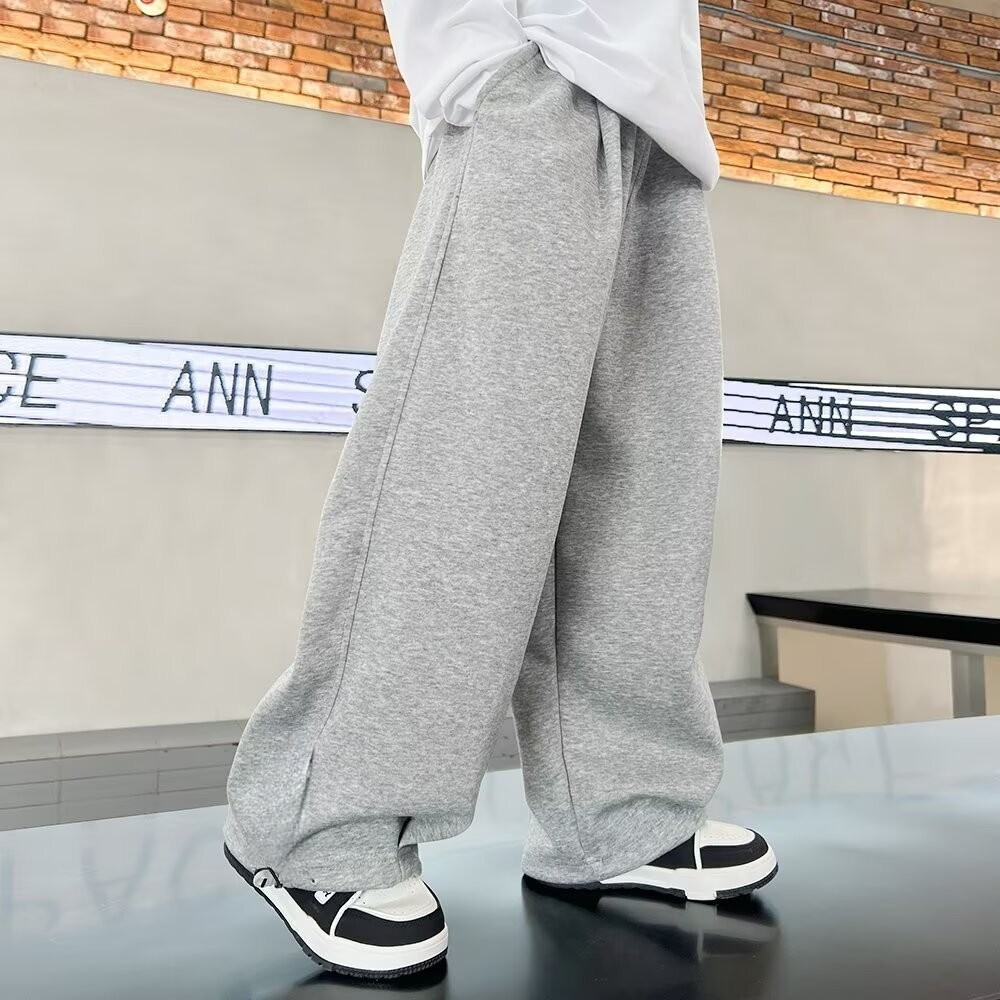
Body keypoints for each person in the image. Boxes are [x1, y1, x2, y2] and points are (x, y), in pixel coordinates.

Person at [222, 0, 778, 981]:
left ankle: (620, 811)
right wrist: (501, 67)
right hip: (529, 77)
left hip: (660, 122)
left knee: (642, 496)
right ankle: (318, 824)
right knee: (466, 467)